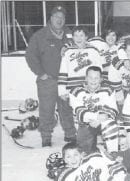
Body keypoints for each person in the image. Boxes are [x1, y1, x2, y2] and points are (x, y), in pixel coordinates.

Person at [25, 6, 76, 147]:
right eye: (56, 17)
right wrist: (41, 73)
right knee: (46, 110)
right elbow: (30, 56)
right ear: (51, 18)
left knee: (66, 108)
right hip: (48, 81)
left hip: (65, 80)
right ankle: (46, 137)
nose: (59, 20)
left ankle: (70, 134)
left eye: (62, 17)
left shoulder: (70, 34)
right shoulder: (40, 35)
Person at [69, 66, 119, 154]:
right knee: (86, 154)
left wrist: (99, 120)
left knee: (112, 125)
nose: (93, 80)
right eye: (90, 77)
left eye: (96, 78)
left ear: (101, 79)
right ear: (86, 78)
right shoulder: (75, 91)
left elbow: (113, 110)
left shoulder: (109, 90)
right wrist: (97, 117)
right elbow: (81, 113)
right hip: (84, 124)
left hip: (103, 122)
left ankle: (113, 154)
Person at [58, 26, 105, 100]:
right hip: (71, 89)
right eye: (76, 36)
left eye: (81, 35)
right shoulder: (67, 52)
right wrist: (61, 91)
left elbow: (99, 70)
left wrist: (99, 87)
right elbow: (63, 71)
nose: (78, 38)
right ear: (72, 37)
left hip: (90, 88)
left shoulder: (93, 50)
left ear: (86, 37)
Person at [56, 142, 126, 181]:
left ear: (82, 155)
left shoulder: (93, 158)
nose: (73, 159)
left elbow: (111, 163)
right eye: (68, 157)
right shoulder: (65, 175)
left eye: (76, 155)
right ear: (64, 159)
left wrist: (119, 175)